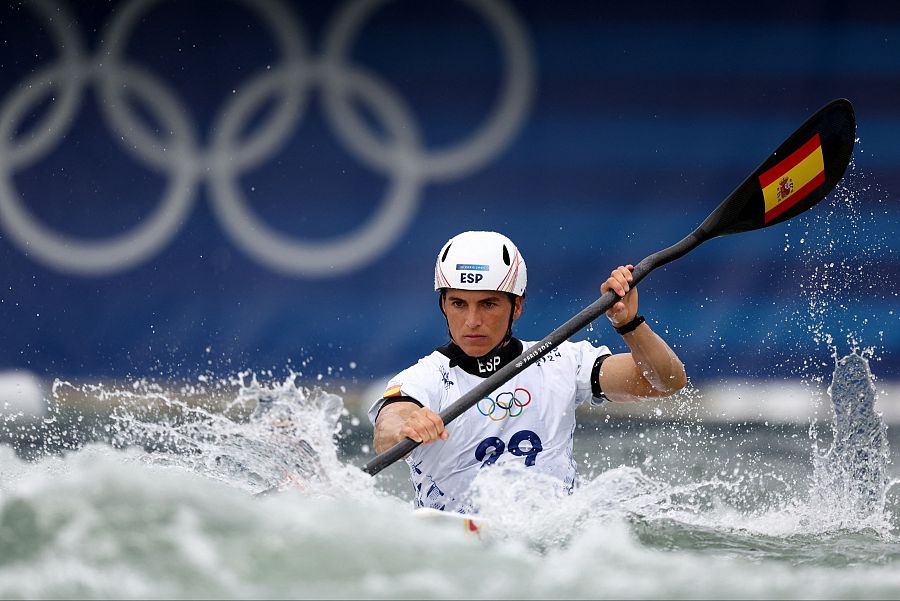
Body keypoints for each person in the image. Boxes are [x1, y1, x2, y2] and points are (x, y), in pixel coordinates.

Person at [368, 231, 686, 512]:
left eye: (489, 304)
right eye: (459, 304)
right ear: (443, 305)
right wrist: (408, 425)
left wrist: (628, 324)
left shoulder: (562, 361)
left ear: (516, 307)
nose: (472, 321)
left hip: (551, 539)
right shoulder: (424, 378)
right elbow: (387, 429)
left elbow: (664, 382)